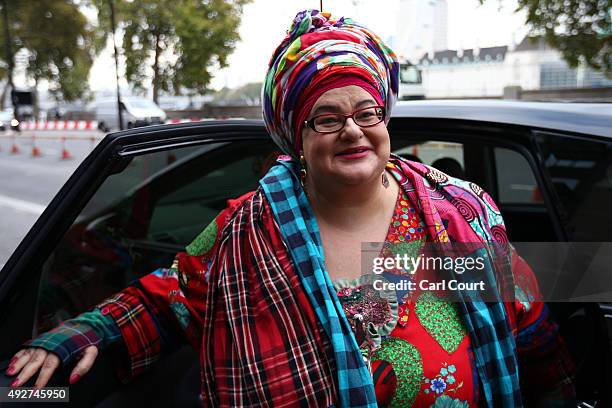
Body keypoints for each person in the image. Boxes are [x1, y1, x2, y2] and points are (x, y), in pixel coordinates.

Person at [6, 10, 574, 407]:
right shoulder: (249, 231)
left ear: (385, 120)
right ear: (295, 137)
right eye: (326, 118)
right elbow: (168, 299)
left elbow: (531, 332)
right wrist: (75, 337)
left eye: (367, 113)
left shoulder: (456, 217)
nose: (352, 130)